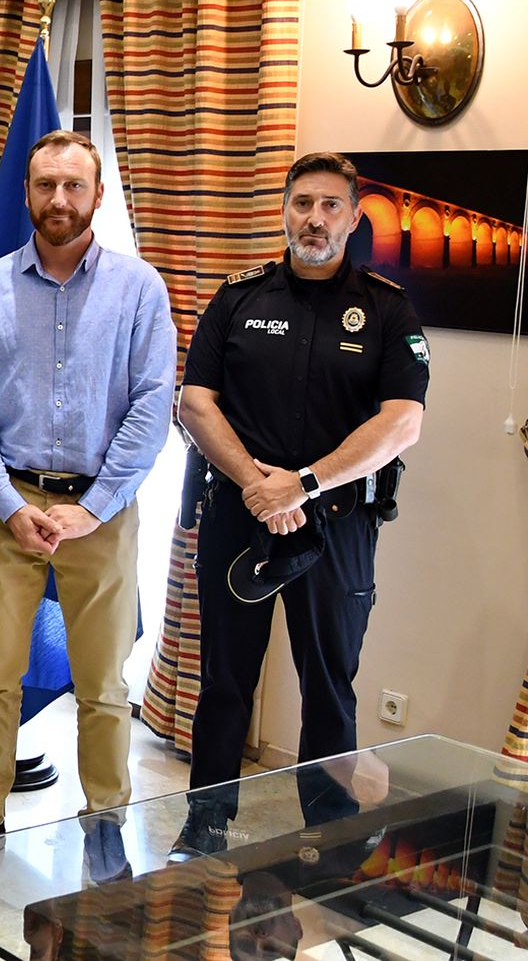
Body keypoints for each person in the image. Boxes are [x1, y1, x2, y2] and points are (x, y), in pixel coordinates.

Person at [0, 129, 176, 878]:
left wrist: (93, 508)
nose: (59, 200)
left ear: (98, 195)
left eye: (75, 185)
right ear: (29, 194)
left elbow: (153, 404)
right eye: (46, 186)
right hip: (8, 508)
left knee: (103, 685)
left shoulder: (139, 289)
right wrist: (7, 504)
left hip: (99, 513)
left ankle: (104, 818)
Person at [171, 152, 426, 860]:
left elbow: (402, 421)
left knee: (330, 685)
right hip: (238, 517)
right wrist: (261, 484)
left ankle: (331, 829)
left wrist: (303, 483)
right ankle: (206, 821)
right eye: (302, 202)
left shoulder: (386, 307)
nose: (314, 217)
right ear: (285, 208)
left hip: (338, 525)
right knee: (225, 678)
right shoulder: (238, 297)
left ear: (353, 216)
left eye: (330, 205)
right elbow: (195, 402)